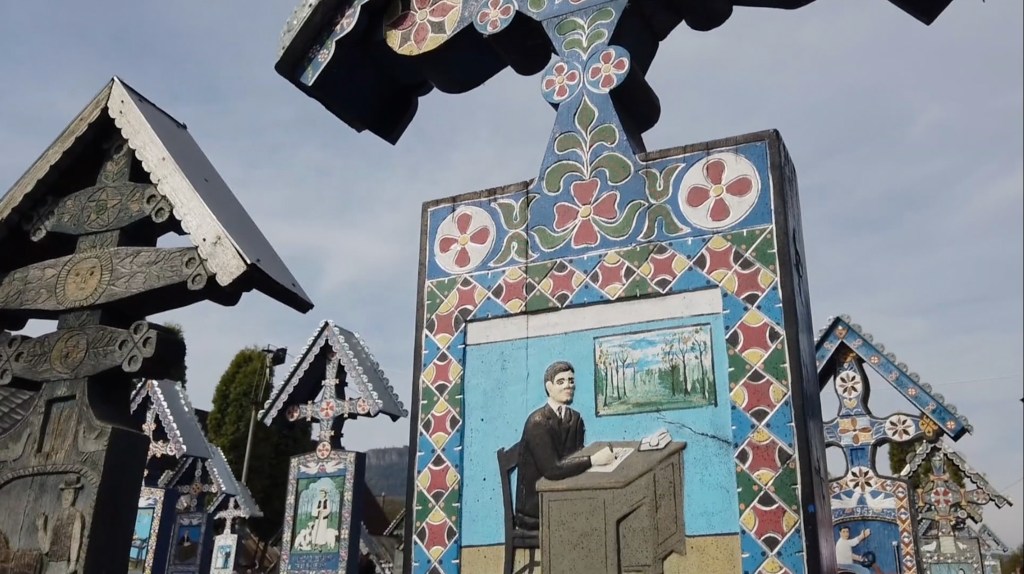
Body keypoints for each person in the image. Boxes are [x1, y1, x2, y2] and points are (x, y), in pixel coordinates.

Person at [514, 361, 615, 530]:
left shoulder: (575, 419)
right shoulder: (537, 422)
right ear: (549, 387)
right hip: (536, 507)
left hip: (562, 494)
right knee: (594, 517)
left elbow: (575, 457)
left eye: (571, 381)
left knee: (603, 508)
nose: (568, 385)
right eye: (561, 382)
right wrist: (594, 460)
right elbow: (552, 470)